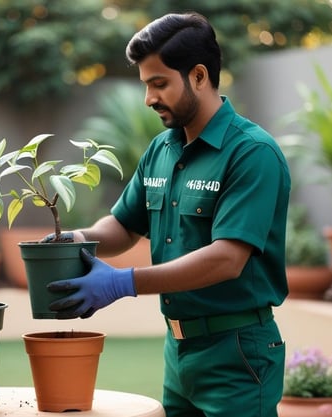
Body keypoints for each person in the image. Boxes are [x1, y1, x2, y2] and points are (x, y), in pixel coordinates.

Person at [45, 12, 291, 417]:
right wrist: (73, 239)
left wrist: (124, 282)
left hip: (237, 352)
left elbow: (228, 258)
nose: (149, 98)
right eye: (146, 85)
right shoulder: (161, 149)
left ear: (198, 76)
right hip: (177, 351)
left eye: (159, 83)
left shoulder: (252, 153)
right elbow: (124, 227)